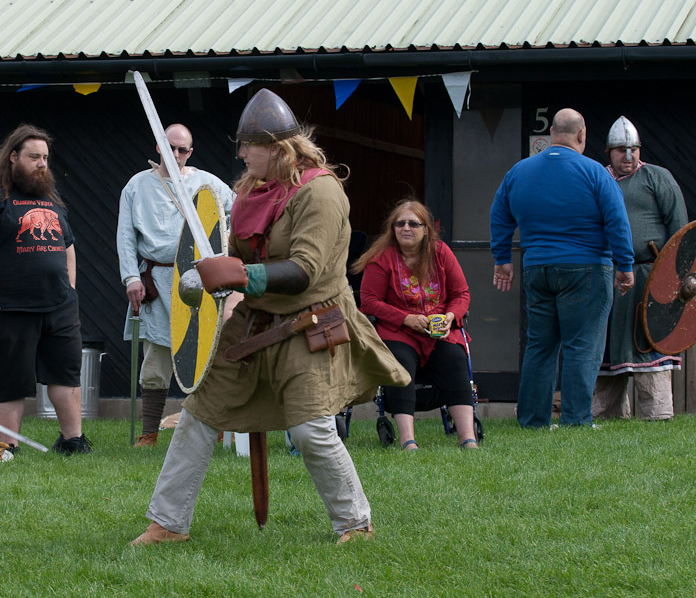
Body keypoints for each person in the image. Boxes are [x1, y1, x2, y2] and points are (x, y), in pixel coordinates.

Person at [131, 89, 408, 547]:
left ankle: (355, 523)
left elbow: (304, 270)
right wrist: (217, 274)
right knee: (198, 415)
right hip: (255, 323)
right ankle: (168, 523)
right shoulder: (250, 193)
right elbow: (238, 256)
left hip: (310, 325)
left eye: (248, 146)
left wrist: (237, 274)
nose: (240, 154)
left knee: (311, 427)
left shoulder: (320, 192)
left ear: (278, 149)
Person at [490, 108, 634, 429]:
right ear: (581, 135)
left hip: (538, 268)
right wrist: (625, 265)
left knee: (540, 345)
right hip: (588, 269)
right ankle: (577, 420)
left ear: (552, 133)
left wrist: (502, 259)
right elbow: (616, 220)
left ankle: (533, 420)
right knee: (582, 345)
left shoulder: (519, 171)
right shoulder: (596, 172)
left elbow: (499, 215)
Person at [0, 124, 91, 455]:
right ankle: (7, 446)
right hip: (7, 306)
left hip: (58, 306)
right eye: (34, 157)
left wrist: (69, 290)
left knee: (67, 374)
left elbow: (67, 244)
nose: (42, 164)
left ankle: (73, 441)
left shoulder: (49, 198)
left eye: (45, 157)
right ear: (13, 156)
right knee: (10, 379)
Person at [116, 123, 234, 447]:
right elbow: (126, 237)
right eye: (171, 147)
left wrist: (227, 254)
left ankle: (213, 429)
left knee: (206, 353)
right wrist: (131, 278)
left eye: (183, 149)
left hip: (200, 279)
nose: (177, 154)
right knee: (156, 357)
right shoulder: (137, 186)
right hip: (156, 278)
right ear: (158, 147)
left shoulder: (206, 183)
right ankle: (150, 432)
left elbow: (235, 212)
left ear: (190, 152)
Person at [354, 200, 477, 449]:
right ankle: (408, 441)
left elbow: (461, 293)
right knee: (400, 363)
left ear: (426, 230)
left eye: (413, 223)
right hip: (399, 330)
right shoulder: (382, 258)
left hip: (438, 330)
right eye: (400, 224)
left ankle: (468, 438)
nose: (406, 228)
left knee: (455, 358)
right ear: (392, 229)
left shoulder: (441, 252)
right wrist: (405, 318)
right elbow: (368, 302)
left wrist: (451, 317)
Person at [593, 116, 687, 421]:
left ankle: (657, 414)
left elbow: (680, 234)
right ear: (609, 151)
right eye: (621, 150)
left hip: (651, 279)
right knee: (606, 349)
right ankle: (606, 414)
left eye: (633, 149)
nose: (629, 156)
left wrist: (678, 278)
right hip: (608, 278)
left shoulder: (658, 178)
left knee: (650, 344)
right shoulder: (597, 179)